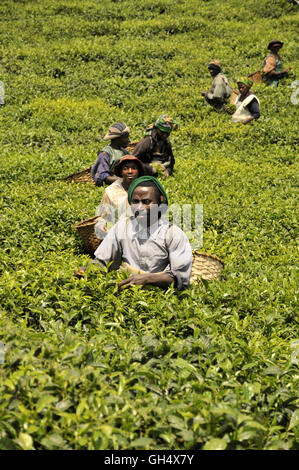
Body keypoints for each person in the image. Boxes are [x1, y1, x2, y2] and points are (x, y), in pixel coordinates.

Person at [76, 177, 193, 291]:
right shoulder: (121, 227)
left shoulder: (173, 234)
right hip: (126, 293)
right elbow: (102, 263)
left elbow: (180, 280)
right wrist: (87, 270)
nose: (140, 207)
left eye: (146, 202)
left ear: (159, 203)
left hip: (161, 298)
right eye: (135, 202)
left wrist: (147, 279)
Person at [94, 155, 144, 239]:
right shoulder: (110, 192)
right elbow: (101, 216)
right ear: (121, 172)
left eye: (134, 168)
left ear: (138, 171)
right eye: (125, 168)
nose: (130, 171)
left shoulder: (145, 189)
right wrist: (102, 225)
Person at [91, 122, 131, 186]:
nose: (129, 140)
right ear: (117, 138)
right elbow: (104, 177)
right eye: (126, 137)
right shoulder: (105, 153)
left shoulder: (126, 153)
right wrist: (122, 180)